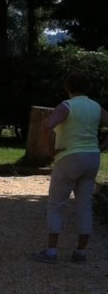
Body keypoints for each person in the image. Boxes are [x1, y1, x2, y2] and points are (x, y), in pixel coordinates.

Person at [32, 70, 108, 264]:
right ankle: (80, 251)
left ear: (67, 88)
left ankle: (51, 251)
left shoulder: (67, 106)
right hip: (92, 157)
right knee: (85, 205)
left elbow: (47, 126)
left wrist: (50, 151)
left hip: (69, 156)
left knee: (57, 204)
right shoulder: (96, 107)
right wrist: (101, 146)